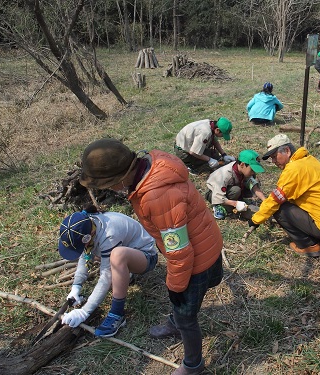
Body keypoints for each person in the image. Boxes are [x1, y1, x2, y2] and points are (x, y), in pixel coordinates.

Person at [79, 138, 224, 375]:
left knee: (186, 312)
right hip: (206, 242)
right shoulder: (153, 165)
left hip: (198, 260)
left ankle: (193, 365)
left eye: (108, 185)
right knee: (183, 304)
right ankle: (176, 320)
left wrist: (175, 287)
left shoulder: (157, 196)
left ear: (120, 178)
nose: (108, 190)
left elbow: (179, 251)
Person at [58, 207, 158, 338]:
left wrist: (84, 312)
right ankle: (125, 274)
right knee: (109, 255)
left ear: (88, 238)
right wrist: (76, 287)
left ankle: (117, 314)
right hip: (128, 250)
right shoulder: (88, 225)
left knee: (117, 256)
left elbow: (106, 276)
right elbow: (85, 256)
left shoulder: (109, 234)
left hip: (146, 257)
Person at [248, 134, 320, 258]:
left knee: (280, 209)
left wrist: (255, 220)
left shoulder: (293, 170)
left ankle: (310, 246)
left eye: (275, 157)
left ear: (287, 151)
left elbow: (274, 201)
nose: (274, 161)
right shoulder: (308, 160)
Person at [205, 149, 266, 220]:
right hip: (213, 193)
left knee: (252, 181)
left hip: (228, 189)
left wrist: (265, 201)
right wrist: (235, 204)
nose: (253, 172)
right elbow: (218, 196)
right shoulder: (225, 175)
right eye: (252, 169)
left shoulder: (242, 169)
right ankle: (218, 206)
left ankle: (237, 199)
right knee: (236, 190)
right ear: (242, 164)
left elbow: (254, 186)